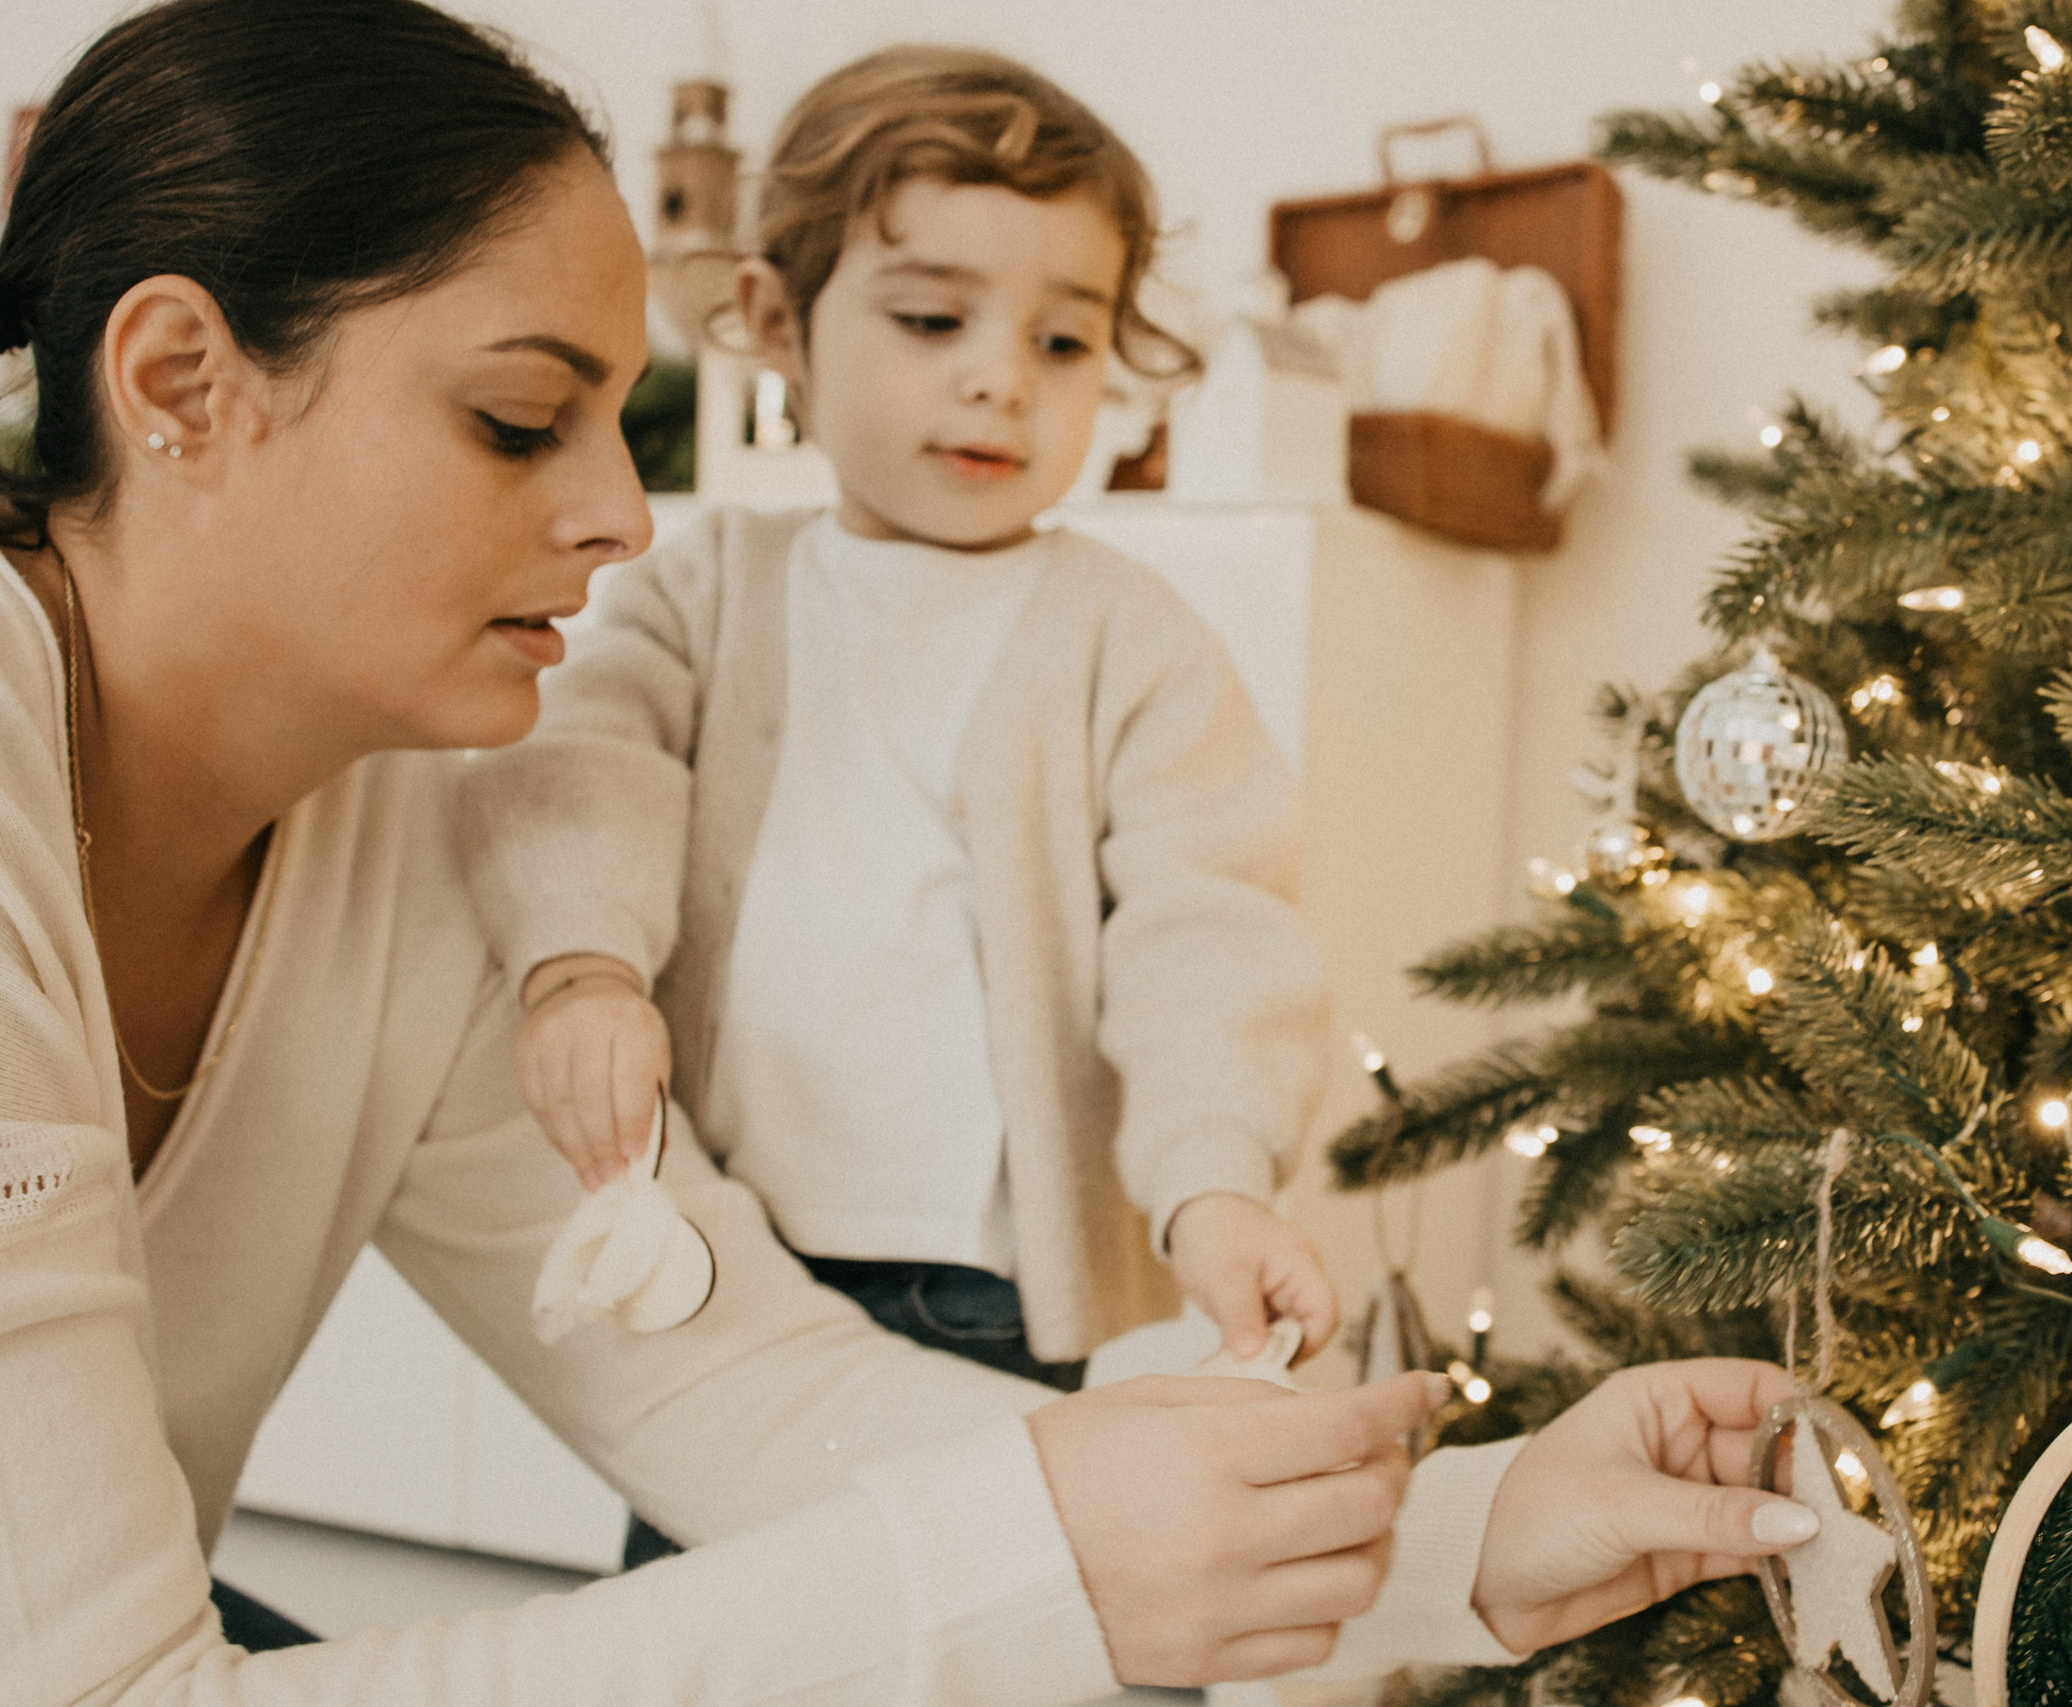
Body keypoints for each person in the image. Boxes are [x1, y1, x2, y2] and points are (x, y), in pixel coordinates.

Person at [0, 3, 1824, 1703]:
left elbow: (725, 1379)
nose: (625, 514)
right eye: (516, 420)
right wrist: (1028, 1558)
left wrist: (1451, 1538)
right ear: (181, 382)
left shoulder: (396, 833)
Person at [461, 50, 1339, 1573]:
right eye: (933, 320)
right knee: (706, 1631)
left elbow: (1212, 924)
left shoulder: (1129, 638)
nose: (1000, 373)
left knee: (977, 1620)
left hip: (981, 1290)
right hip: (717, 1247)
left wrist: (1214, 1179)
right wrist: (580, 967)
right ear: (776, 324)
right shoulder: (707, 588)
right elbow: (576, 769)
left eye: (1064, 341)